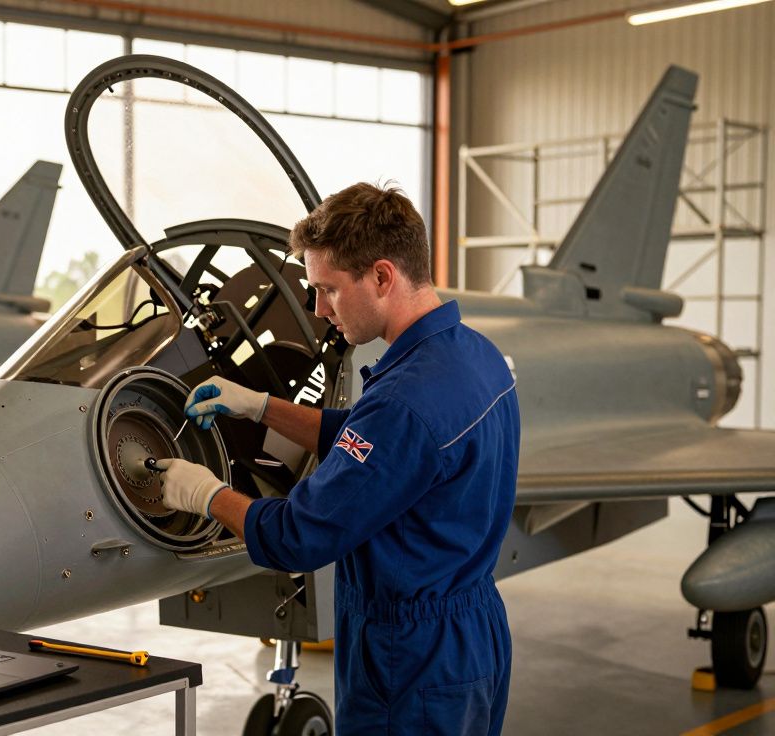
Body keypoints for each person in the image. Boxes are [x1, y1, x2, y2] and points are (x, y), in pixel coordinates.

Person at [155, 182, 520, 735]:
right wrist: (259, 407)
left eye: (328, 289)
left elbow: (299, 536)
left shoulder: (405, 402)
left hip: (408, 659)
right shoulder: (473, 355)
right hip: (471, 634)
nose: (320, 310)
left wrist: (205, 493)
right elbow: (377, 447)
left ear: (380, 276)